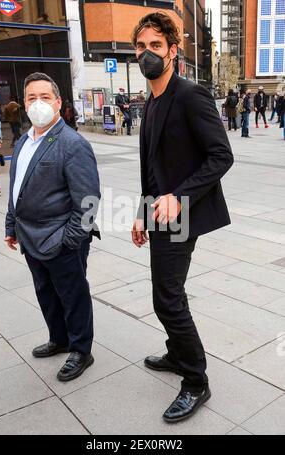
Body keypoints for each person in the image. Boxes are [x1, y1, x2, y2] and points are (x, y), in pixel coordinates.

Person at [131, 12, 233, 423]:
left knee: (167, 298)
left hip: (182, 213)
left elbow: (221, 155)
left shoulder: (190, 94)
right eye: (141, 47)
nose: (147, 54)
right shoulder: (152, 101)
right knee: (168, 291)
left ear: (174, 51)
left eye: (156, 46)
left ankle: (195, 381)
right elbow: (152, 167)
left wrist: (180, 197)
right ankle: (177, 354)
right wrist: (142, 213)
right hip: (158, 211)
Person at [5, 72, 101, 382]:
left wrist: (70, 239)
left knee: (73, 296)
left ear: (58, 102)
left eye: (45, 97)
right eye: (31, 98)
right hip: (30, 236)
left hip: (62, 238)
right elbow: (16, 187)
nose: (38, 104)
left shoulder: (72, 143)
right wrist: (11, 225)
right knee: (46, 293)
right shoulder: (23, 141)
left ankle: (80, 349)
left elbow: (89, 200)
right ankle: (59, 339)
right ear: (23, 103)